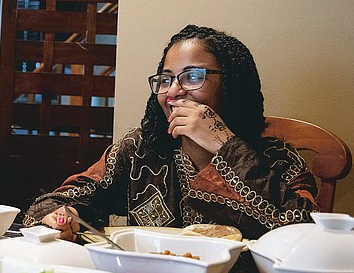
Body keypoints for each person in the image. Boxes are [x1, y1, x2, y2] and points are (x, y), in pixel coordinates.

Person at [23, 24, 317, 242]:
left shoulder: (278, 160)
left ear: (232, 87)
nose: (173, 92)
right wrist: (64, 219)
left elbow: (304, 235)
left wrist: (225, 145)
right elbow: (49, 205)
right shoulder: (140, 150)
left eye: (192, 76)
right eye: (165, 80)